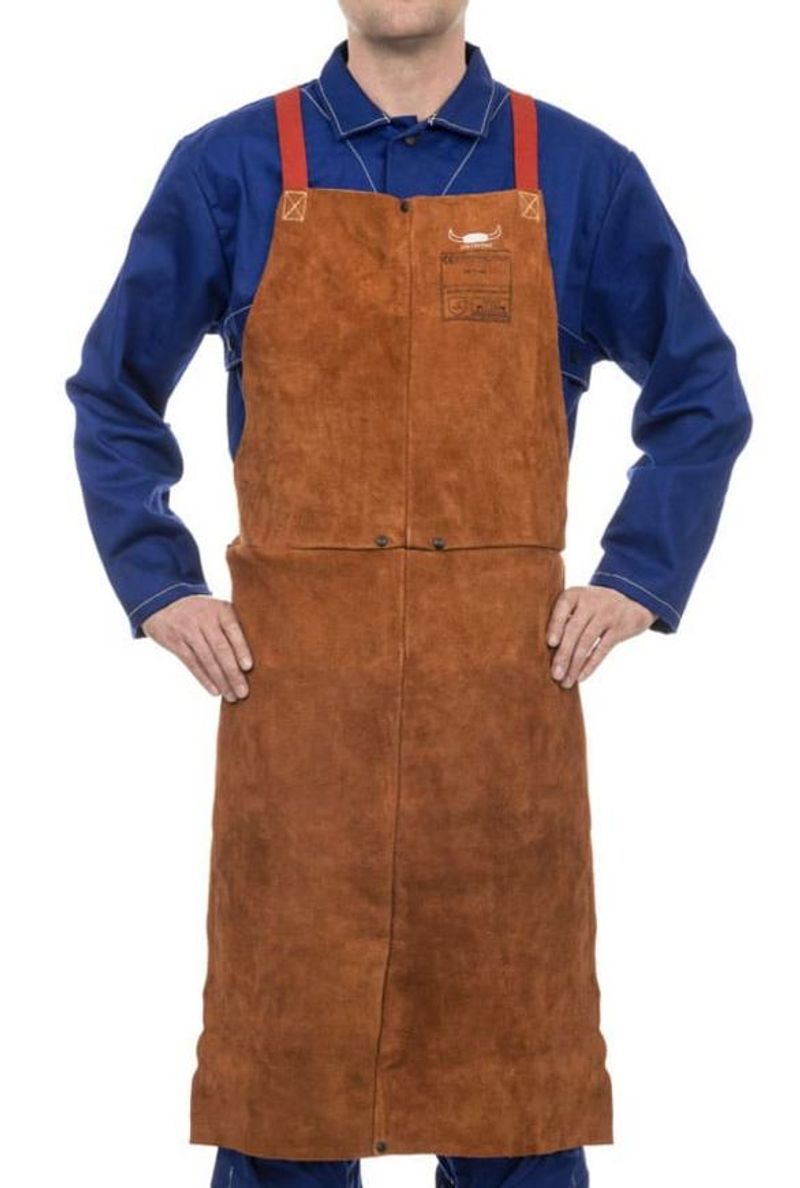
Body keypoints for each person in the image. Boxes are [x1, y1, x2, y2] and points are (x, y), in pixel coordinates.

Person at [65, 3, 752, 1187]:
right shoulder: (231, 166)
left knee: (513, 1100)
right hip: (300, 722)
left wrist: (636, 576)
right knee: (286, 1092)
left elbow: (699, 394)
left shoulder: (575, 172)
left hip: (497, 722)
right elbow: (113, 394)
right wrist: (157, 581)